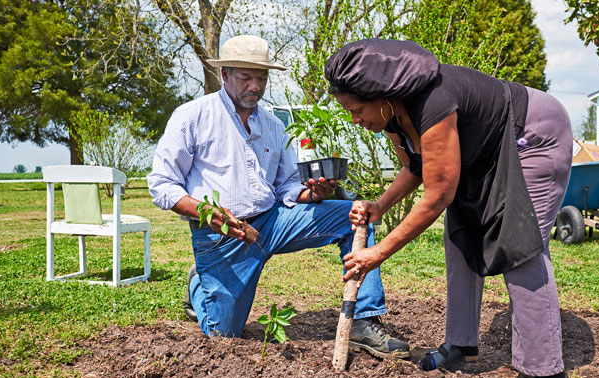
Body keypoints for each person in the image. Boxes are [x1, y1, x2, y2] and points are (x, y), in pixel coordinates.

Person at [147, 35, 409, 358]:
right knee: (223, 332)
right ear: (224, 75)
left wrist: (312, 193)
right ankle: (198, 286)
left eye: (262, 78)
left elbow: (286, 186)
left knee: (351, 216)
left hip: (273, 222)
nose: (255, 86)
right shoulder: (192, 117)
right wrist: (205, 211)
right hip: (223, 237)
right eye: (246, 77)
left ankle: (364, 320)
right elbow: (161, 184)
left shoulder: (272, 125)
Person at [325, 39, 572, 378]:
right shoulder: (391, 115)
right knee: (460, 238)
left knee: (522, 247)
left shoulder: (433, 102)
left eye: (356, 110)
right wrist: (379, 205)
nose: (354, 119)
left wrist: (378, 252)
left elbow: (438, 195)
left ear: (381, 99)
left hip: (531, 134)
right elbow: (415, 168)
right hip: (483, 153)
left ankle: (545, 370)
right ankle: (461, 343)